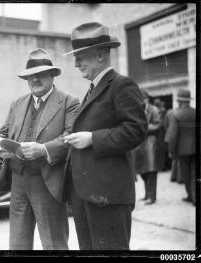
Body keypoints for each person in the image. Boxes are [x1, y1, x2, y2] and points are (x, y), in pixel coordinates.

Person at [63, 22, 147, 250]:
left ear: (100, 55)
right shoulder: (94, 87)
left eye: (81, 57)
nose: (76, 64)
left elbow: (136, 130)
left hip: (108, 196)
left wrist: (92, 138)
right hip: (88, 195)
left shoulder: (122, 85)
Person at [0, 48, 80, 250]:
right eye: (30, 76)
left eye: (41, 75)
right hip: (18, 182)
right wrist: (0, 149)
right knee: (18, 243)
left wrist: (44, 149)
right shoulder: (17, 103)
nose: (35, 80)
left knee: (53, 243)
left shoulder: (69, 102)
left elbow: (71, 137)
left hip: (48, 182)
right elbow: (2, 134)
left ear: (52, 75)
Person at [165, 89, 195, 205]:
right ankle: (191, 196)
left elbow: (172, 136)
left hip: (183, 151)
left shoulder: (176, 115)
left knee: (186, 174)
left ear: (179, 101)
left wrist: (171, 152)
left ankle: (192, 197)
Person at [132, 89, 162, 205]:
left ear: (147, 99)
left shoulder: (154, 110)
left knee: (151, 171)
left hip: (150, 143)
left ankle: (152, 197)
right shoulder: (136, 110)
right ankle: (147, 195)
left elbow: (159, 125)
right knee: (143, 171)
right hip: (139, 145)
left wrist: (143, 128)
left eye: (142, 99)